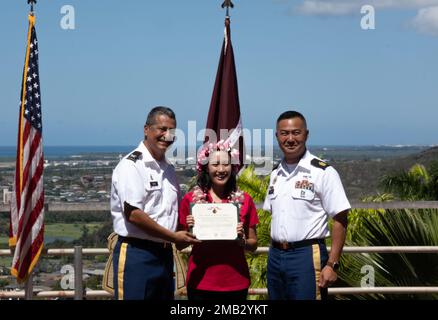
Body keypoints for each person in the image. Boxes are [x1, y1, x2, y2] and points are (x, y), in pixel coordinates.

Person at [110, 106, 200, 300]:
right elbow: (134, 214)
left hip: (165, 256)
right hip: (137, 255)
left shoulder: (168, 169)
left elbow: (171, 213)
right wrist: (174, 237)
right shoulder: (131, 165)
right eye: (162, 129)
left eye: (172, 131)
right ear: (146, 129)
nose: (167, 135)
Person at [263, 111, 350, 300]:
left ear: (306, 134)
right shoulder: (275, 174)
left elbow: (341, 219)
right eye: (284, 133)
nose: (290, 138)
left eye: (296, 132)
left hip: (307, 256)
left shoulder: (323, 172)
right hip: (276, 256)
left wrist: (332, 264)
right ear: (277, 136)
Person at [177, 140, 259, 300]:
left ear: (233, 167)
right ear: (206, 167)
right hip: (200, 281)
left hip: (236, 280)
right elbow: (180, 245)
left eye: (226, 164)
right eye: (215, 164)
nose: (221, 169)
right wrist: (189, 231)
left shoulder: (245, 200)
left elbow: (253, 244)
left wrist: (242, 241)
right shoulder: (191, 200)